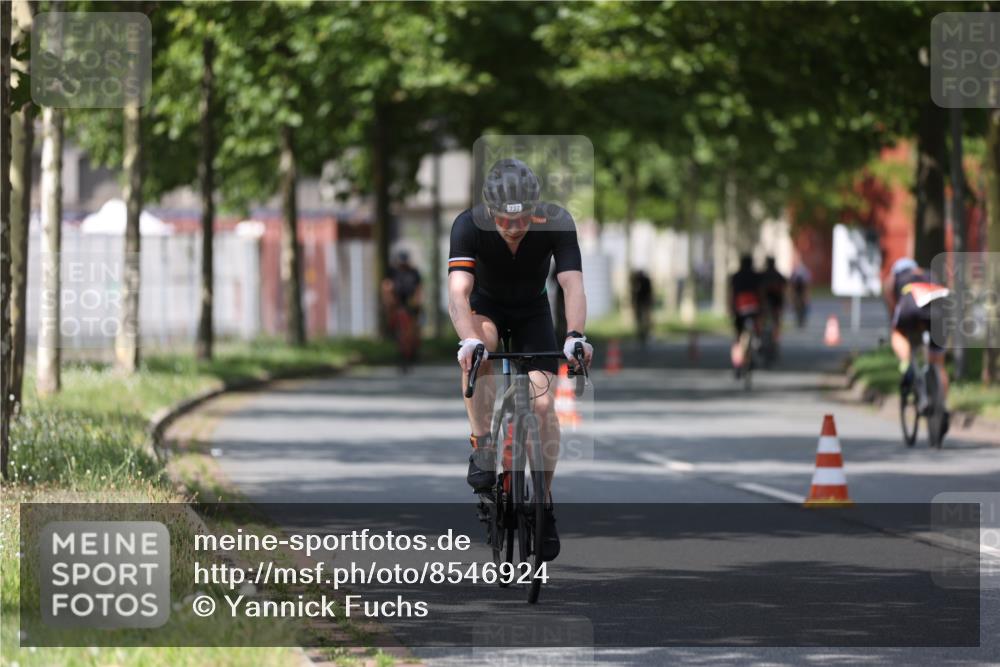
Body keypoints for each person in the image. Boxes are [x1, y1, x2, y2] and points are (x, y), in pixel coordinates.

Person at [447, 158, 593, 562]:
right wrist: (468, 341)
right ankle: (482, 443)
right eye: (504, 221)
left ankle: (544, 502)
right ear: (490, 212)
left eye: (523, 219)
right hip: (486, 310)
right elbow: (459, 294)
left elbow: (572, 285)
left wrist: (575, 335)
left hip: (533, 313)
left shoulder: (558, 222)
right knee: (480, 351)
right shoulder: (467, 225)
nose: (513, 228)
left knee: (544, 404)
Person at [883, 257, 951, 433]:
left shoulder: (895, 276)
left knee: (897, 333)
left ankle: (907, 364)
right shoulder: (928, 273)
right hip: (938, 307)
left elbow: (890, 298)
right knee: (937, 362)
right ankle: (942, 404)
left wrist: (895, 321)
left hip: (910, 303)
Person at [382, 250, 423, 368]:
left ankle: (412, 351)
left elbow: (419, 289)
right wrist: (389, 302)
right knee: (398, 328)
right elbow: (386, 286)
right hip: (397, 304)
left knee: (412, 330)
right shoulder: (392, 272)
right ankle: (393, 338)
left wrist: (417, 303)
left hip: (411, 304)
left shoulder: (414, 273)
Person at [729, 254, 761, 374]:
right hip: (754, 307)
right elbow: (760, 292)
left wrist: (731, 308)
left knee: (738, 335)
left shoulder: (736, 277)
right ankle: (757, 340)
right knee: (757, 325)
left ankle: (737, 362)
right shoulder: (756, 276)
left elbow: (732, 294)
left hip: (740, 308)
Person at [759, 256, 788, 344]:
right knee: (776, 320)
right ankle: (776, 336)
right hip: (777, 302)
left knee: (763, 318)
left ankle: (762, 333)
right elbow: (784, 287)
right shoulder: (778, 275)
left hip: (765, 302)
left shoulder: (762, 275)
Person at [630, 270, 653, 347]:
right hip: (639, 303)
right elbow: (633, 293)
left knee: (646, 319)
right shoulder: (635, 281)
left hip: (644, 302)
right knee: (639, 319)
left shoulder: (645, 281)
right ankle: (640, 334)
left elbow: (649, 292)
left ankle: (646, 334)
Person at [790, 263, 812, 329]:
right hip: (799, 292)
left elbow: (806, 286)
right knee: (799, 306)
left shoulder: (798, 273)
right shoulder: (800, 273)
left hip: (800, 291)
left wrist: (806, 296)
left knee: (801, 306)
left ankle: (801, 320)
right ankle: (800, 320)